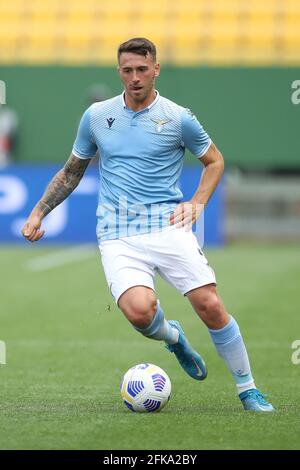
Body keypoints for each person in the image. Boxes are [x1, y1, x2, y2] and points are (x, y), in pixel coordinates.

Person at [22, 37, 274, 412]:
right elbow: (72, 172)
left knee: (209, 304)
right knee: (140, 312)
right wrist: (39, 211)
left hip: (167, 226)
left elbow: (215, 161)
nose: (135, 77)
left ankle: (248, 389)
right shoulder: (96, 117)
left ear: (155, 69)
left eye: (142, 69)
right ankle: (174, 337)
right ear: (119, 71)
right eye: (127, 70)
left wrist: (197, 202)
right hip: (116, 233)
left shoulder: (178, 117)